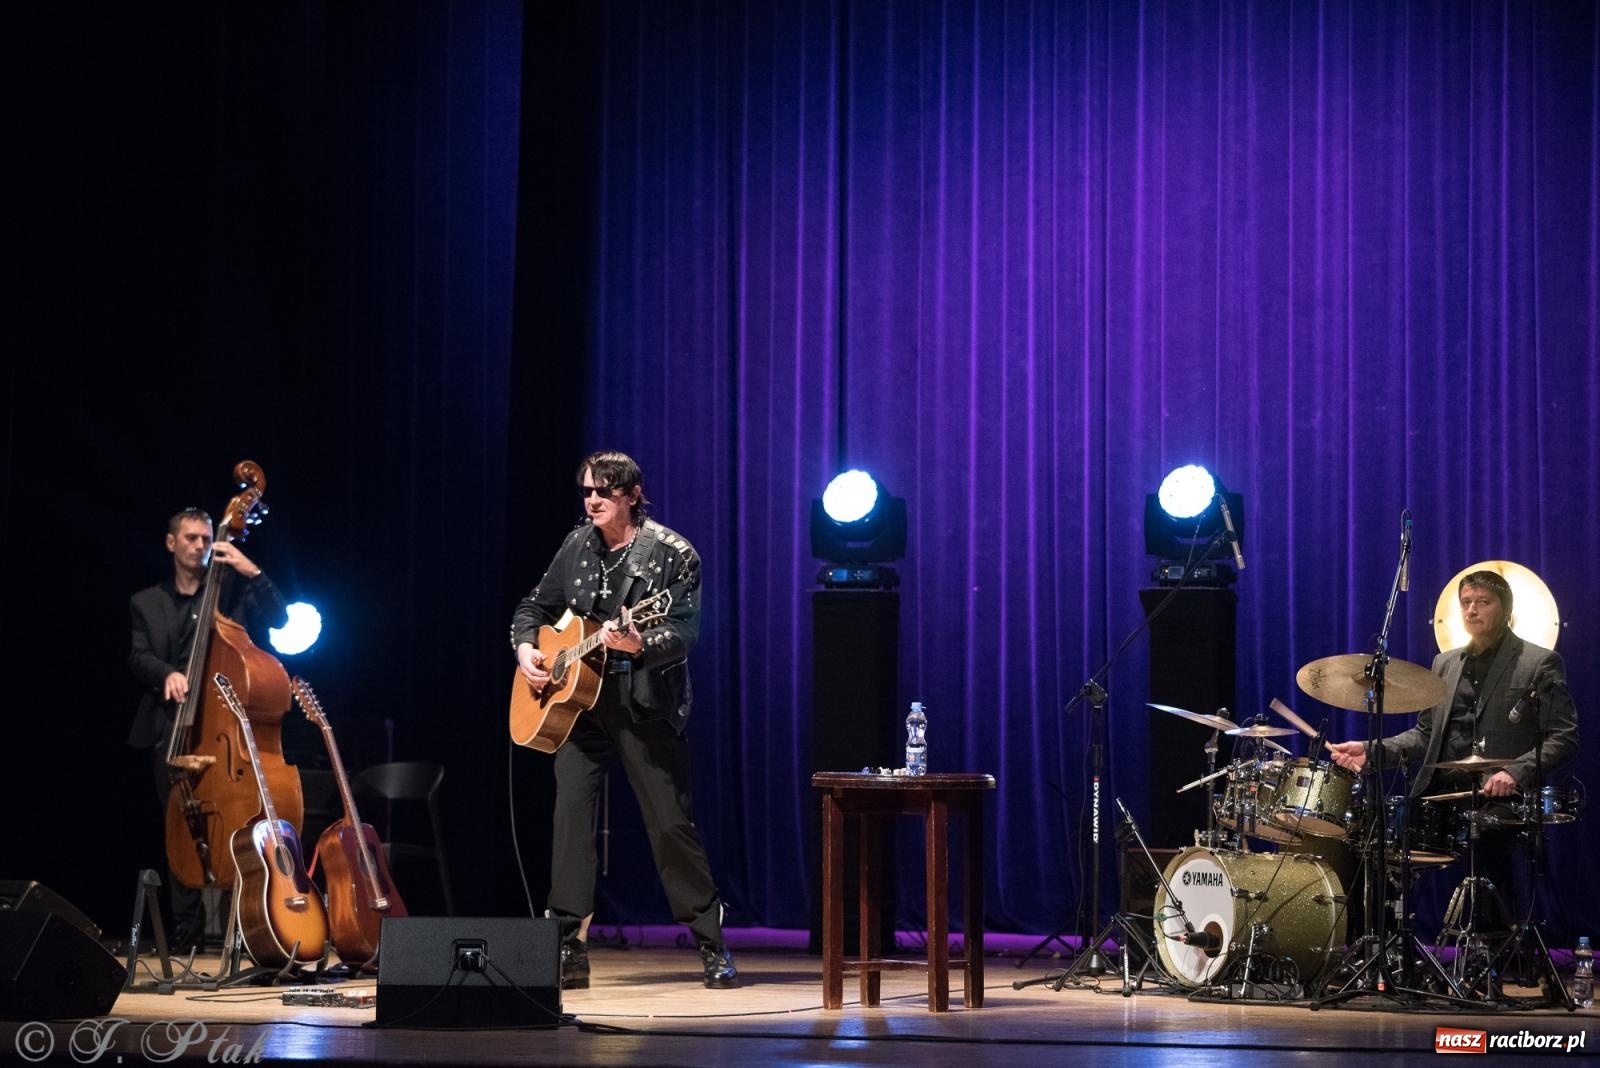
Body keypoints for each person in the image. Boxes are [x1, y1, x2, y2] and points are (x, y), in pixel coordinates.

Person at [510, 451, 737, 990]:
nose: (593, 501)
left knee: (669, 823)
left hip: (644, 702)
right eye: (587, 491)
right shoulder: (577, 545)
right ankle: (569, 946)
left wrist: (639, 644)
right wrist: (526, 648)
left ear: (633, 494)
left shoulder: (673, 554)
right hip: (577, 704)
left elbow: (684, 631)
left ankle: (711, 941)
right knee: (570, 819)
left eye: (604, 492)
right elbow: (534, 607)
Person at [1328, 569, 1579, 930]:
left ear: (1506, 610)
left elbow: (1564, 736)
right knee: (1371, 838)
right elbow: (1424, 735)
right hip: (1441, 796)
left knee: (1488, 840)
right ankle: (1388, 949)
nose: (1472, 610)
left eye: (1483, 602)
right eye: (1466, 602)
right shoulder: (1444, 663)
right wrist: (1371, 751)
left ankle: (1491, 949)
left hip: (1499, 799)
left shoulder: (1539, 662)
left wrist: (1514, 772)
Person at [128, 507, 288, 953]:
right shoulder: (145, 602)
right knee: (178, 826)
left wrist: (252, 570)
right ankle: (186, 933)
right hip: (172, 727)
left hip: (223, 729)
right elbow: (138, 655)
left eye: (205, 538)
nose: (200, 545)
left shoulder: (230, 594)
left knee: (236, 824)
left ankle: (247, 924)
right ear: (171, 543)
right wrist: (166, 673)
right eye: (191, 538)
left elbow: (279, 619)